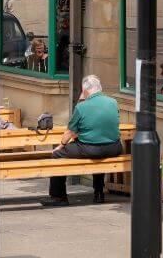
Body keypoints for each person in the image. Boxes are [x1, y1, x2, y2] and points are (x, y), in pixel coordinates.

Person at [45, 75, 122, 206]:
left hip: (90, 149)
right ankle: (98, 193)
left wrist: (61, 145)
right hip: (114, 148)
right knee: (99, 156)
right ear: (100, 88)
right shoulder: (113, 102)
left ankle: (58, 197)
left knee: (57, 155)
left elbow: (70, 132)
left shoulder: (82, 107)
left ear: (85, 91)